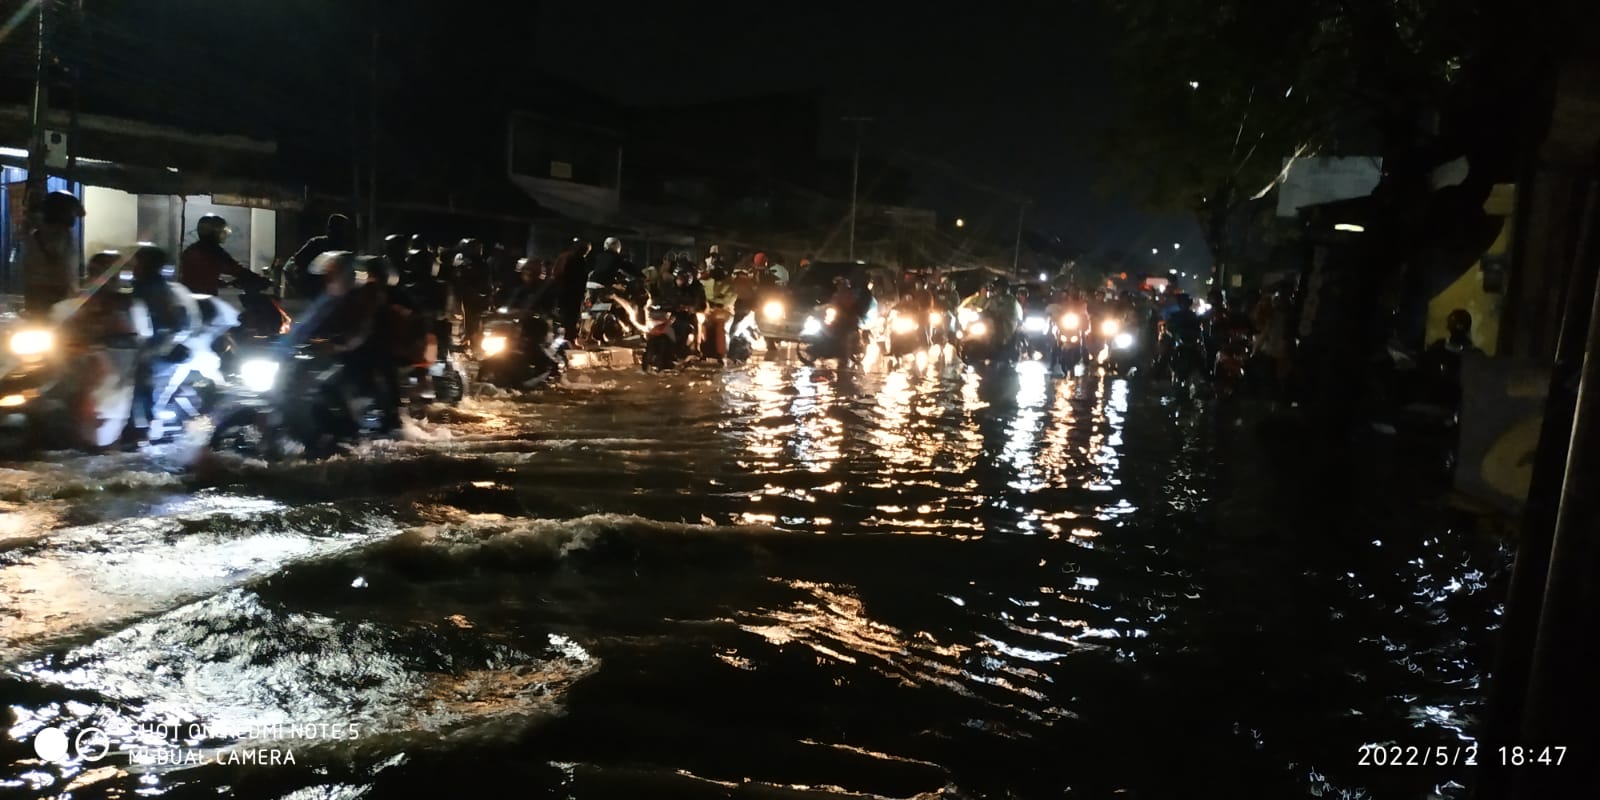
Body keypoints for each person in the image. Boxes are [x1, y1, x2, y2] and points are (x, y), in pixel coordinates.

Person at [23, 190, 85, 318]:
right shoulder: (57, 234)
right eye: (72, 212)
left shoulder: (38, 233)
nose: (73, 217)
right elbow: (62, 267)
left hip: (42, 294)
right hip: (53, 295)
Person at [178, 214, 251, 296]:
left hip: (189, 296)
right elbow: (234, 268)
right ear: (215, 232)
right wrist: (256, 278)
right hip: (203, 299)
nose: (225, 234)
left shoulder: (192, 249)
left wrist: (218, 282)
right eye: (223, 231)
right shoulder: (213, 251)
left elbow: (199, 274)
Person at [288, 214, 353, 299]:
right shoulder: (317, 243)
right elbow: (298, 259)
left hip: (332, 292)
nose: (343, 232)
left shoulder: (343, 248)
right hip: (317, 290)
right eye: (341, 228)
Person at [553, 238, 592, 346]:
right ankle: (570, 339)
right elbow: (581, 278)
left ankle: (562, 337)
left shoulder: (564, 256)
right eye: (587, 250)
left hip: (561, 289)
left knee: (563, 314)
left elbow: (556, 272)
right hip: (573, 292)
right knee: (572, 316)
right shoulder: (579, 260)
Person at [700, 266, 737, 362]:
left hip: (724, 312)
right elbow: (704, 297)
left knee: (720, 327)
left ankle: (720, 353)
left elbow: (728, 300)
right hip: (710, 312)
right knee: (704, 326)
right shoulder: (707, 284)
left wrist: (717, 303)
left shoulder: (729, 286)